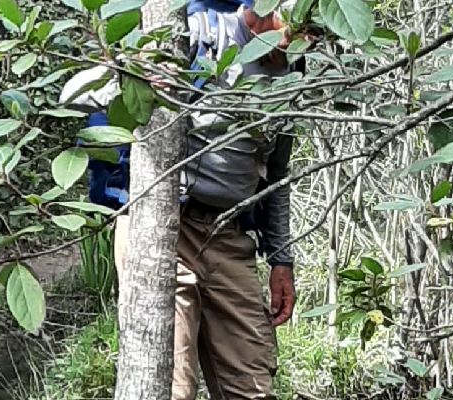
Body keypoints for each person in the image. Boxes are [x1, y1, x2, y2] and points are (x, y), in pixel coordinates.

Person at [171, 1, 301, 399]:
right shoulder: (200, 33)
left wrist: (281, 259)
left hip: (231, 234)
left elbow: (277, 174)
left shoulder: (296, 71)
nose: (312, 37)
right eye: (305, 20)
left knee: (252, 386)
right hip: (170, 228)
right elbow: (85, 94)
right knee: (174, 386)